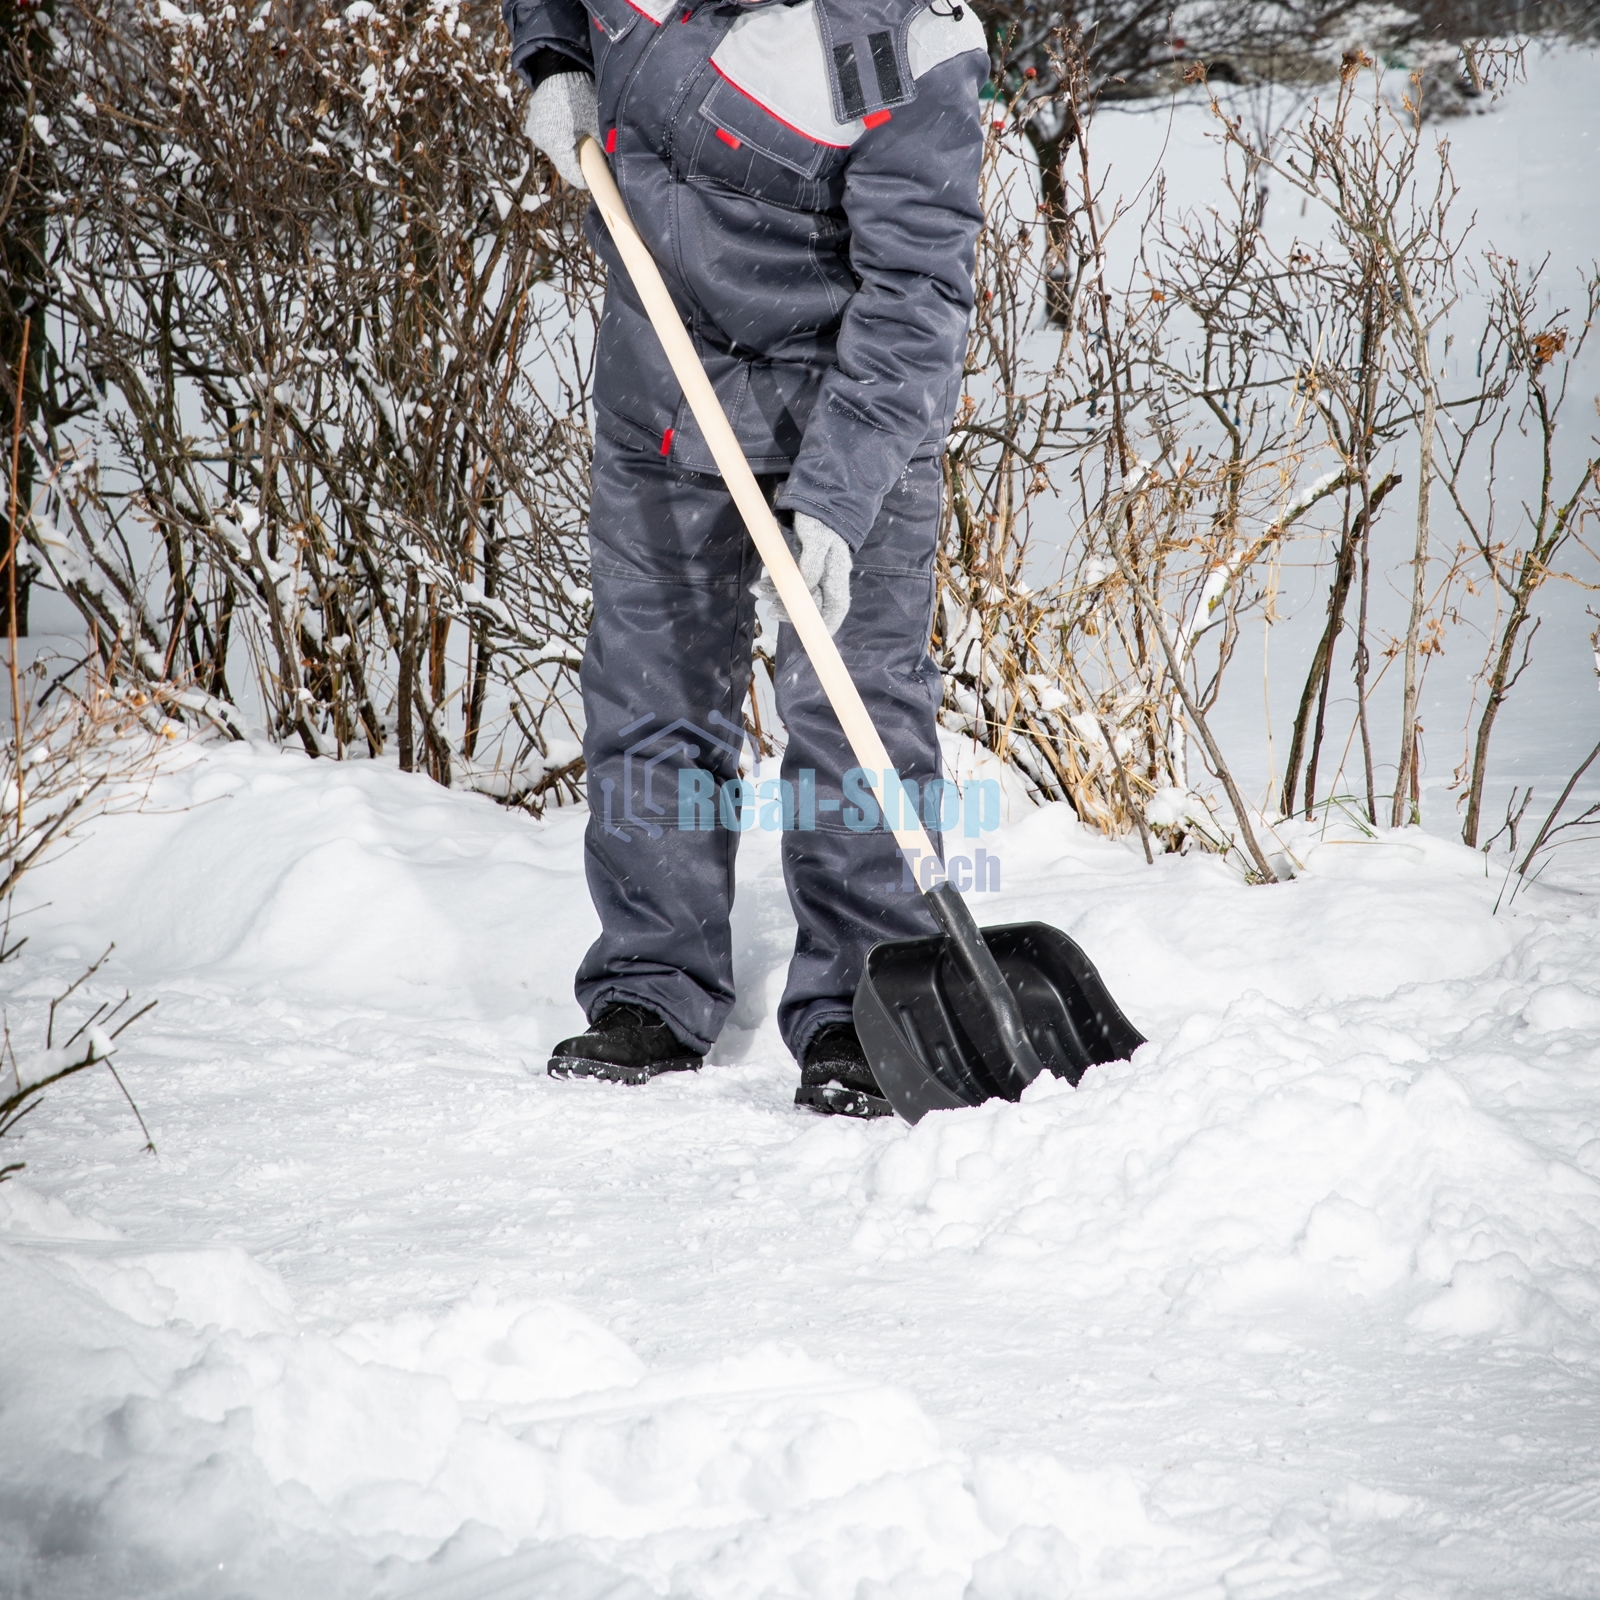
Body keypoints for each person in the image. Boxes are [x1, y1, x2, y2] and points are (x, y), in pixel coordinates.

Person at [500, 0, 986, 1116]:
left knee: (854, 705)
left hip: (845, 416)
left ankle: (866, 998)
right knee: (649, 688)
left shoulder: (911, 39)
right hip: (659, 396)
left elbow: (917, 295)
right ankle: (650, 985)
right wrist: (553, 58)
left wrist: (836, 502)